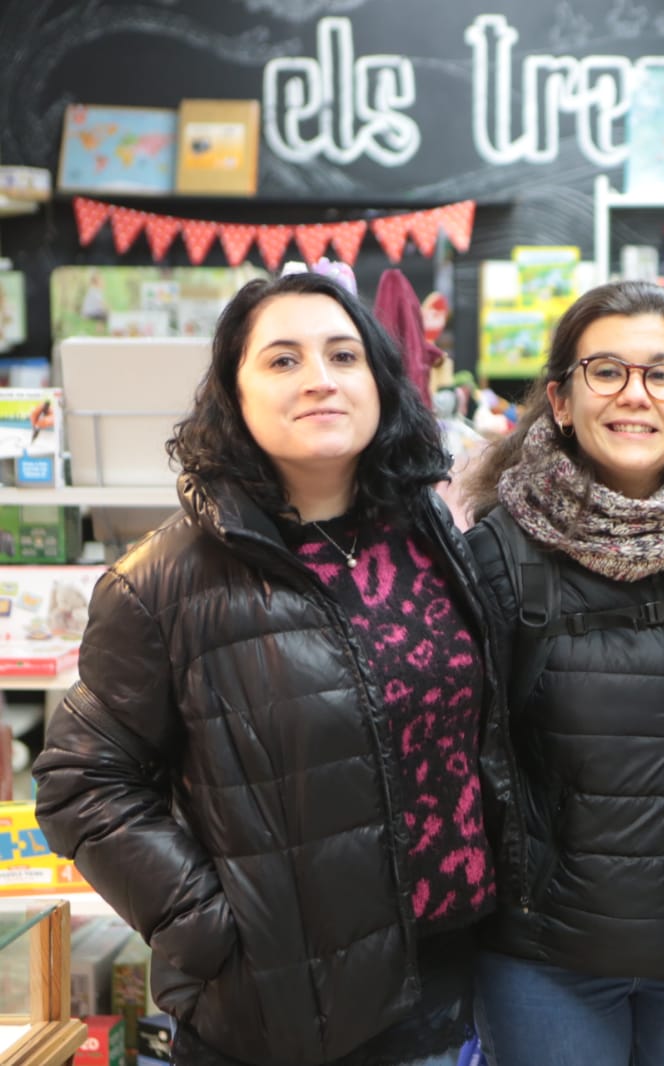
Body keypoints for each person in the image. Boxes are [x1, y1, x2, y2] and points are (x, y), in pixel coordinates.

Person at [32, 271, 500, 1066]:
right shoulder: (165, 581)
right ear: (234, 395)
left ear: (381, 382)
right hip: (282, 1015)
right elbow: (83, 784)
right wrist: (217, 929)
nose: (319, 378)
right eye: (282, 360)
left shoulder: (428, 534)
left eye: (343, 355)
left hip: (454, 983)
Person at [460, 280, 664, 1066]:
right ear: (561, 400)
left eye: (659, 373)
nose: (633, 394)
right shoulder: (499, 556)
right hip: (549, 959)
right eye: (605, 371)